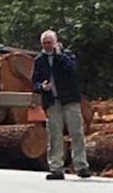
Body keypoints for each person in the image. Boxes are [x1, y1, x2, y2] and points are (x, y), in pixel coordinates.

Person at [31, 30, 90, 179]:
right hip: (52, 101)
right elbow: (34, 81)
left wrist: (58, 55)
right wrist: (41, 87)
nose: (47, 46)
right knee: (54, 135)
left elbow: (72, 70)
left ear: (56, 42)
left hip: (70, 100)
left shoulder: (67, 55)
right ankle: (56, 168)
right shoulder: (39, 60)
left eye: (49, 43)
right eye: (44, 43)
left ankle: (81, 166)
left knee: (76, 132)